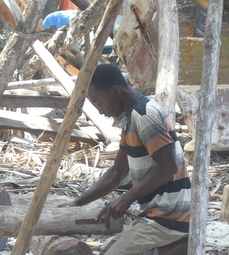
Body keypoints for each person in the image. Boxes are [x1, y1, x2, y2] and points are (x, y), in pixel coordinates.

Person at [61, 64, 190, 255]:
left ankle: (181, 245)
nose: (100, 110)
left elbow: (169, 166)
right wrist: (77, 203)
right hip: (154, 214)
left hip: (170, 217)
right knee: (106, 250)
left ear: (115, 91)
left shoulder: (144, 114)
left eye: (99, 103)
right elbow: (117, 172)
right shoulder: (131, 119)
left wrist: (126, 198)